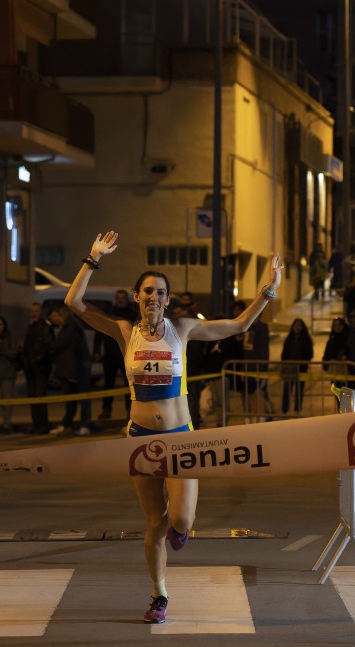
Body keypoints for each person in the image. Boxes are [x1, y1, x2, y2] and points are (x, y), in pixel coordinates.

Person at [65, 230, 282, 624]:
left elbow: (237, 326)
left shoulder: (182, 330)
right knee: (153, 522)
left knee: (180, 522)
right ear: (137, 296)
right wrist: (92, 259)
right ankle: (159, 595)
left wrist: (267, 292)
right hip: (140, 440)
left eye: (161, 292)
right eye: (148, 291)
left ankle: (180, 531)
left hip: (181, 441)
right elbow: (73, 302)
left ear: (168, 298)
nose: (154, 297)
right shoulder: (123, 332)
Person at [48, 305, 95, 436]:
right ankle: (67, 424)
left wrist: (50, 345)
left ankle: (84, 424)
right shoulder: (71, 326)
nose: (55, 319)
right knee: (72, 399)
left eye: (57, 316)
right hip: (73, 368)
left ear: (63, 315)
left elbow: (60, 344)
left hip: (78, 368)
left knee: (82, 398)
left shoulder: (70, 327)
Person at [94, 290, 135, 420]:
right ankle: (106, 410)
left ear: (126, 300)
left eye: (123, 298)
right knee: (108, 384)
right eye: (118, 298)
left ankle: (130, 411)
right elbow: (99, 332)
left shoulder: (132, 314)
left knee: (128, 385)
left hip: (126, 354)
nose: (120, 300)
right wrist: (96, 350)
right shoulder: (109, 313)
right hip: (110, 354)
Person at [23, 302, 54, 434]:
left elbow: (46, 346)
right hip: (30, 367)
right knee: (32, 396)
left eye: (36, 311)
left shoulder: (45, 327)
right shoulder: (31, 327)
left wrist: (36, 359)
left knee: (39, 396)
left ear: (40, 312)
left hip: (40, 367)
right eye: (32, 311)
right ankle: (37, 425)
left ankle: (42, 425)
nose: (33, 313)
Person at [279, 317, 312, 415]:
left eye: (299, 325)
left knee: (299, 390)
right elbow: (284, 353)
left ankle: (297, 409)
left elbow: (309, 353)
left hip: (301, 369)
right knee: (287, 390)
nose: (297, 327)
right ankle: (285, 410)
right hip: (289, 369)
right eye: (295, 325)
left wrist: (304, 362)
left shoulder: (306, 340)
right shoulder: (289, 339)